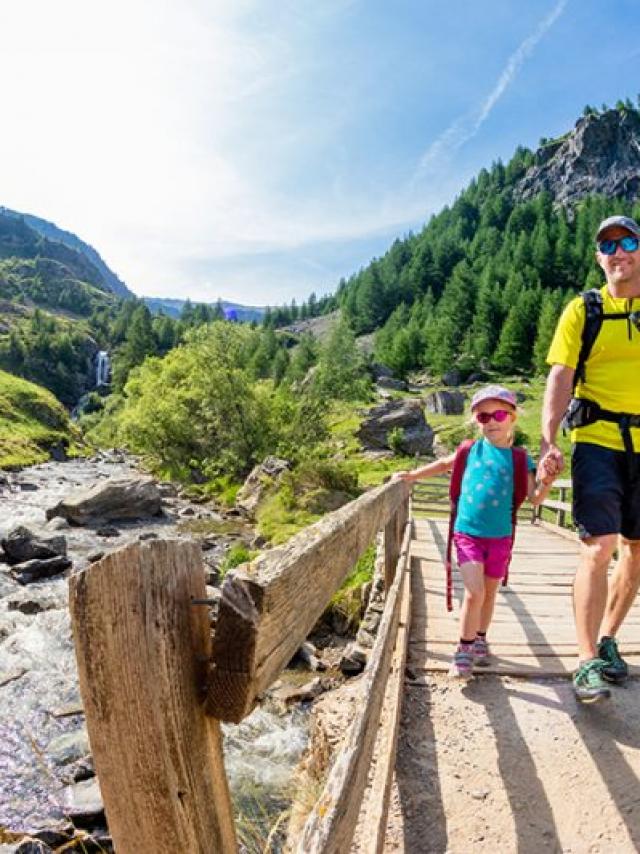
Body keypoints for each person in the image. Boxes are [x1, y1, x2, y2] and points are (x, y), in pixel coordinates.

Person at [540, 214, 640, 703]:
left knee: (636, 550)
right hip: (598, 440)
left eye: (628, 241)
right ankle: (584, 663)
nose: (618, 251)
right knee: (598, 548)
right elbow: (560, 374)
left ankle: (607, 639)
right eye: (608, 245)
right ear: (599, 258)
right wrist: (548, 438)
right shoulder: (584, 310)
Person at [395, 385, 554, 679]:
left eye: (498, 414)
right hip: (467, 533)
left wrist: (547, 482)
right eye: (483, 417)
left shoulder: (521, 459)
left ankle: (481, 636)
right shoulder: (470, 450)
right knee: (474, 592)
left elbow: (534, 498)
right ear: (476, 422)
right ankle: (463, 650)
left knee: (490, 593)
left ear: (512, 417)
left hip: (501, 536)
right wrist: (412, 476)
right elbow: (444, 464)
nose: (491, 421)